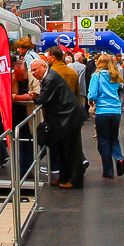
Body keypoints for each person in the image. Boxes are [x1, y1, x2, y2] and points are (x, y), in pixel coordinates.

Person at [31, 56, 88, 188]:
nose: (33, 73)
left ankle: (75, 181)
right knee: (63, 150)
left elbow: (43, 99)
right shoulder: (49, 76)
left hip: (69, 118)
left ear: (44, 67)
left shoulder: (50, 78)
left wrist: (35, 97)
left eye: (35, 69)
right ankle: (64, 177)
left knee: (72, 151)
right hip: (65, 118)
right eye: (32, 70)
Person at [88, 53, 124, 178]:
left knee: (103, 141)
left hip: (102, 111)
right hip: (116, 110)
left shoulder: (96, 76)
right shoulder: (115, 76)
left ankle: (108, 171)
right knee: (114, 138)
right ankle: (119, 158)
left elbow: (92, 94)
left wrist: (91, 99)